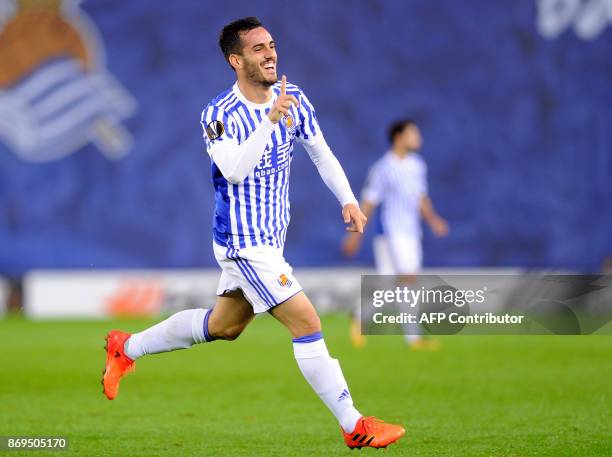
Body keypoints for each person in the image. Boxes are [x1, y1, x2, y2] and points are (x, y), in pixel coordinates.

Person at [101, 17, 405, 450]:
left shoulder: (292, 97)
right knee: (307, 323)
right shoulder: (218, 115)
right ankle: (354, 425)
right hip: (243, 244)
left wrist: (348, 199)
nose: (270, 54)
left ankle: (126, 348)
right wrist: (269, 122)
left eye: (272, 45)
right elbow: (235, 170)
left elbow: (321, 152)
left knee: (223, 326)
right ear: (236, 59)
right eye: (259, 48)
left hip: (269, 241)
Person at [343, 119, 449, 349]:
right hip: (391, 232)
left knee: (391, 285)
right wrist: (356, 234)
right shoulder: (383, 168)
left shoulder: (418, 165)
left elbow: (420, 197)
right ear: (399, 137)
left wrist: (433, 220)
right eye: (413, 133)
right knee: (408, 280)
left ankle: (360, 315)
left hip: (411, 232)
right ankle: (414, 338)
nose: (418, 137)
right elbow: (369, 203)